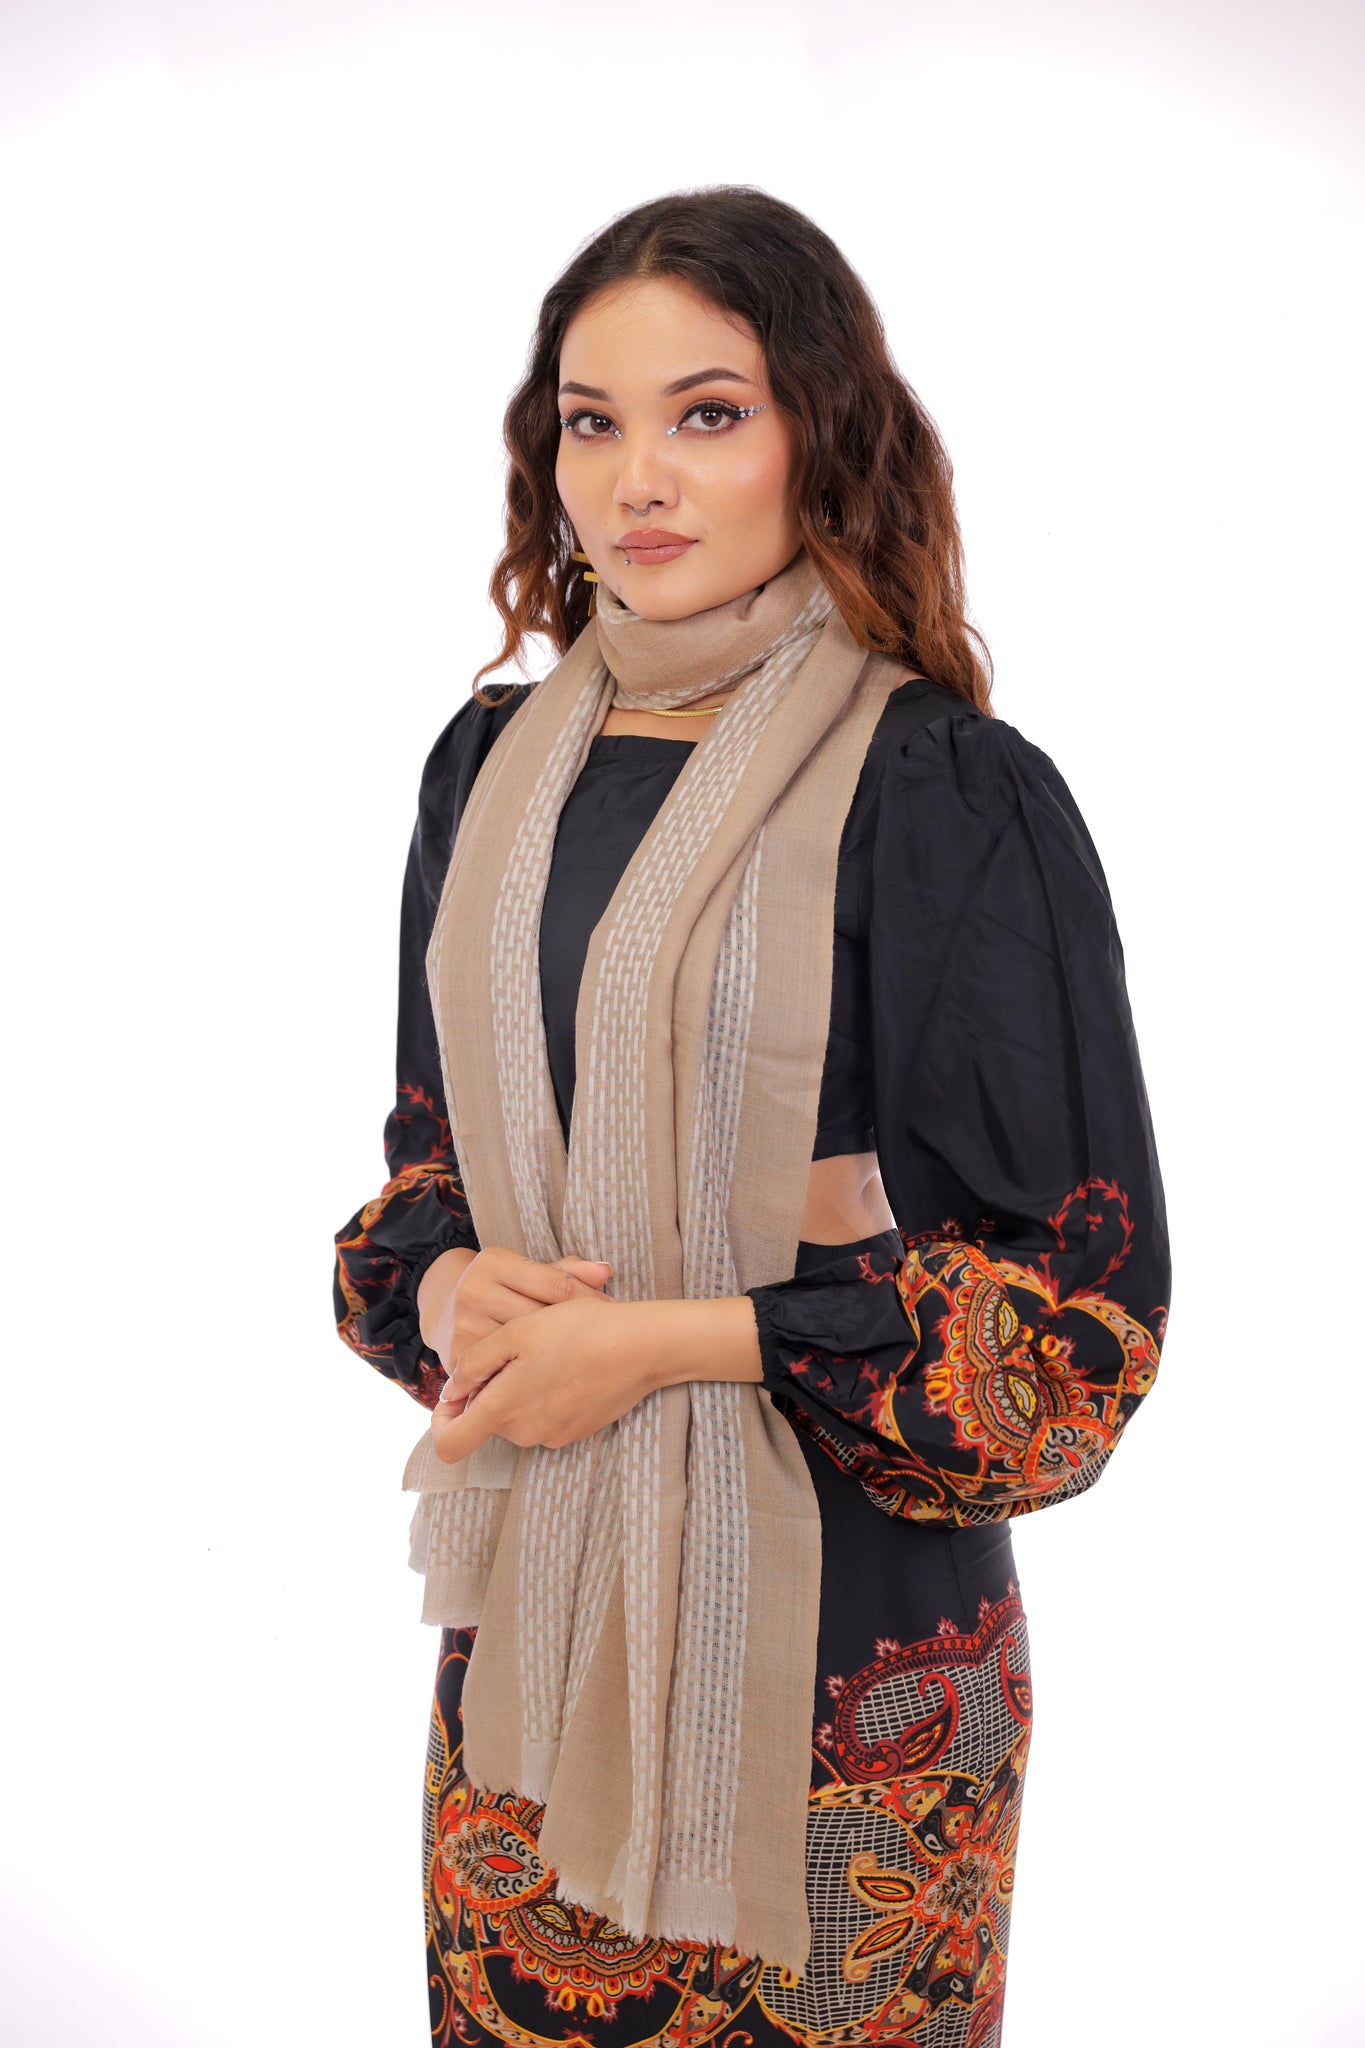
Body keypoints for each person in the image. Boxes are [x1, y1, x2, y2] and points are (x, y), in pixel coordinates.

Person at [332, 185, 1170, 2048]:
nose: (638, 477)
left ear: (820, 434)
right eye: (592, 421)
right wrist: (454, 1290)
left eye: (707, 413)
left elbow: (1071, 1340)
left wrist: (666, 1343)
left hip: (847, 1692)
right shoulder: (487, 774)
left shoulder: (945, 793)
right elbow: (422, 1182)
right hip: (532, 1668)